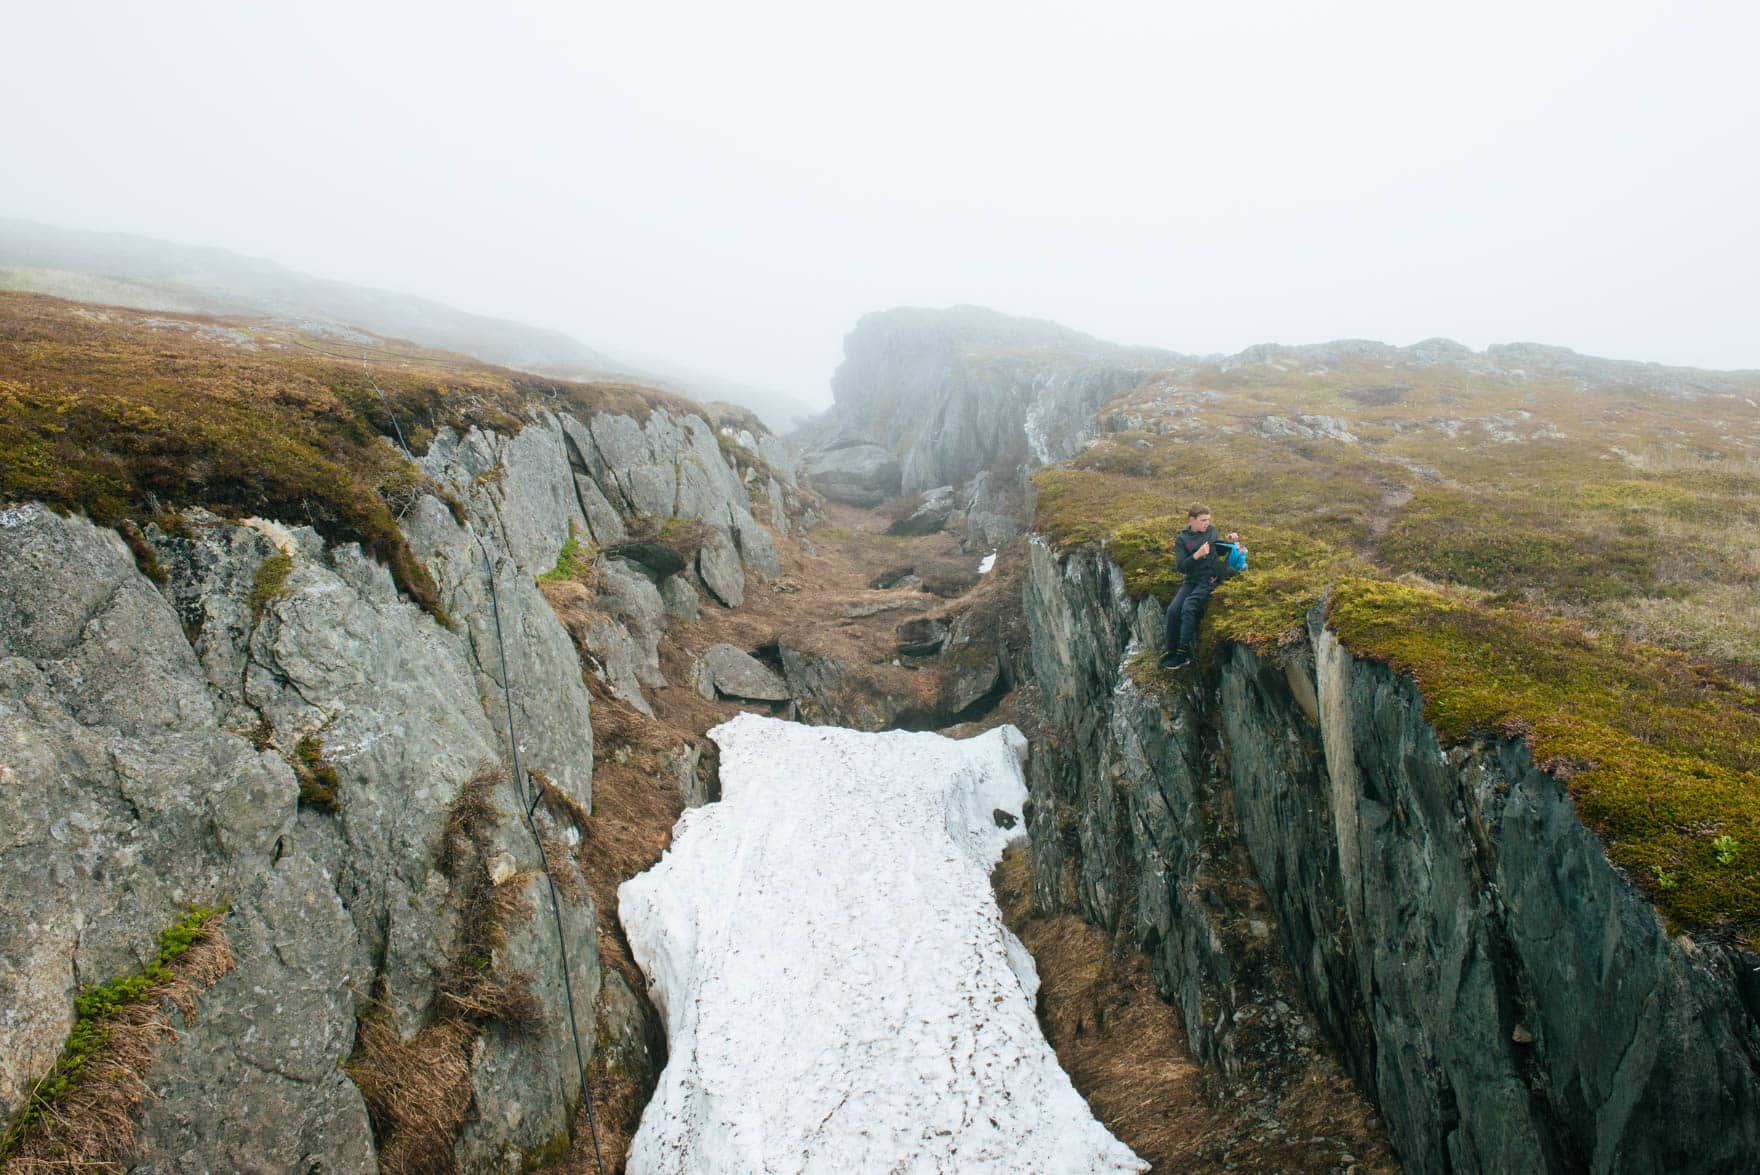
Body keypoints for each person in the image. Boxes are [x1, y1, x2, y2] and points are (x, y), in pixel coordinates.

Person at [1159, 503, 1243, 670]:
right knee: (1173, 610)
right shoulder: (1182, 540)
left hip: (1211, 576)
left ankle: (1183, 654)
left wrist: (1229, 541)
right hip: (1191, 579)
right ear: (1192, 520)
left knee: (1189, 607)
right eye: (1203, 520)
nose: (1207, 523)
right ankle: (1171, 650)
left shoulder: (1211, 531)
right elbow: (1181, 567)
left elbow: (1217, 550)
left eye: (1208, 520)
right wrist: (1197, 555)